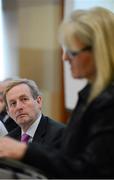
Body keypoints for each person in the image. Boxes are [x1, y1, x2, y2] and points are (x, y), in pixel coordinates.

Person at [0, 6, 114, 178]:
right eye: (13, 103)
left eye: (72, 52)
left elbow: (91, 172)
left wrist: (26, 151)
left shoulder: (108, 101)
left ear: (98, 51)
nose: (65, 58)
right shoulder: (90, 94)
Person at [4, 78, 65, 146]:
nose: (18, 107)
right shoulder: (8, 140)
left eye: (24, 99)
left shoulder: (60, 134)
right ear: (8, 111)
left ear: (39, 102)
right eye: (13, 103)